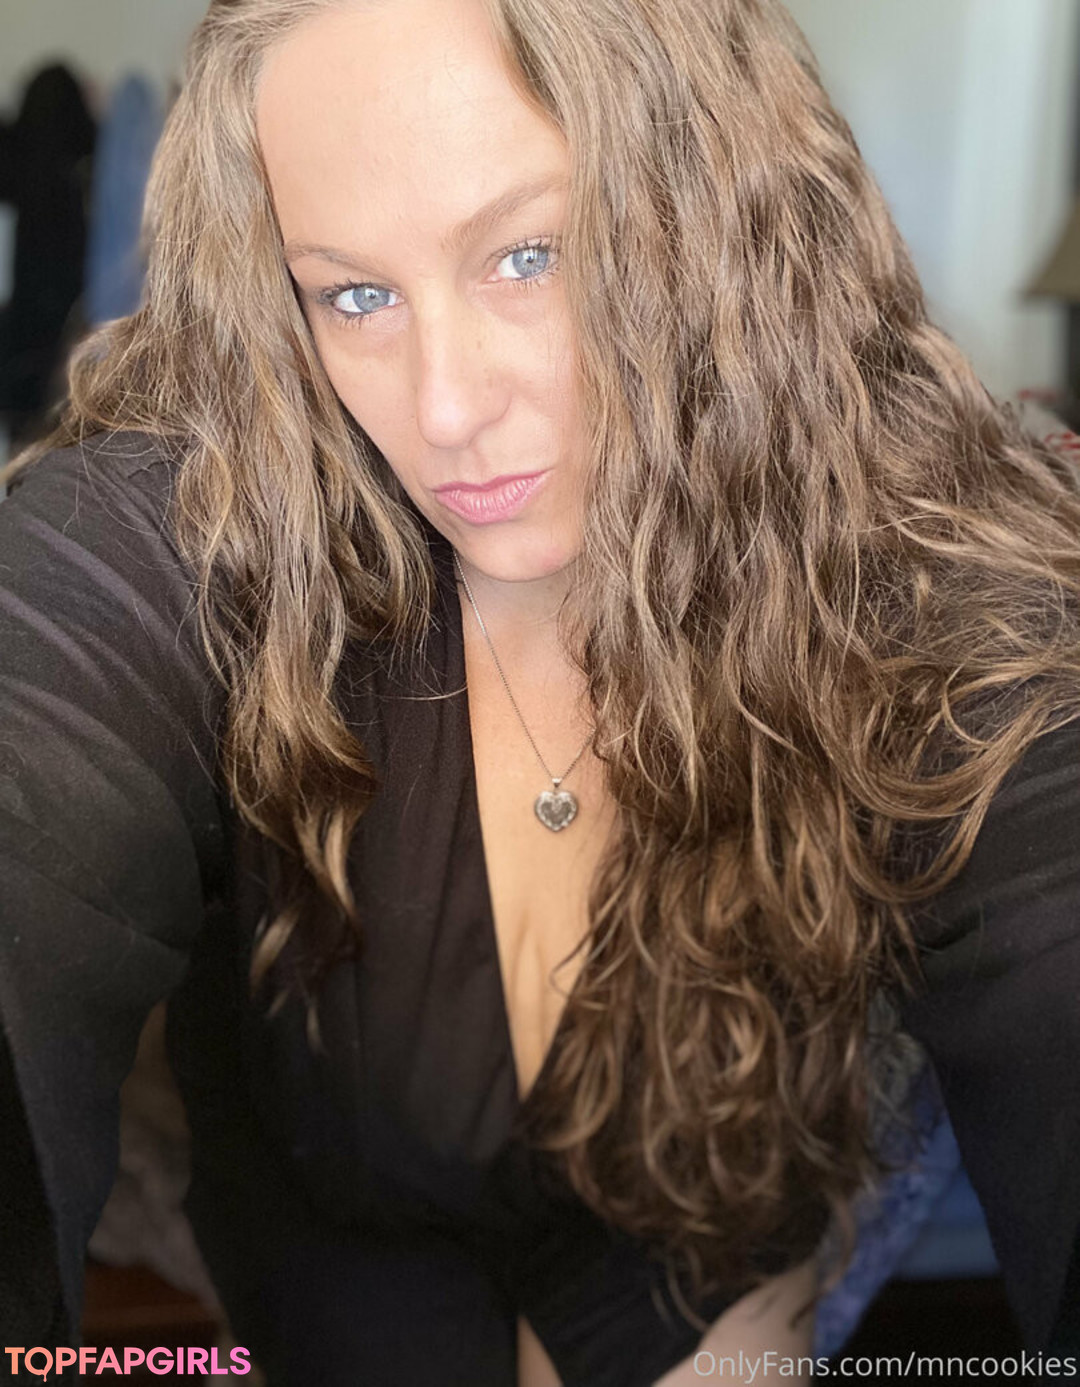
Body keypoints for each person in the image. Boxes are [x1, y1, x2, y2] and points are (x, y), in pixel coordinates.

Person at [1, 0, 1079, 1382]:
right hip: (330, 1276)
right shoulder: (187, 529)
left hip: (732, 1272)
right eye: (354, 295)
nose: (446, 408)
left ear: (714, 208)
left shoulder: (929, 568)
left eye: (530, 255)